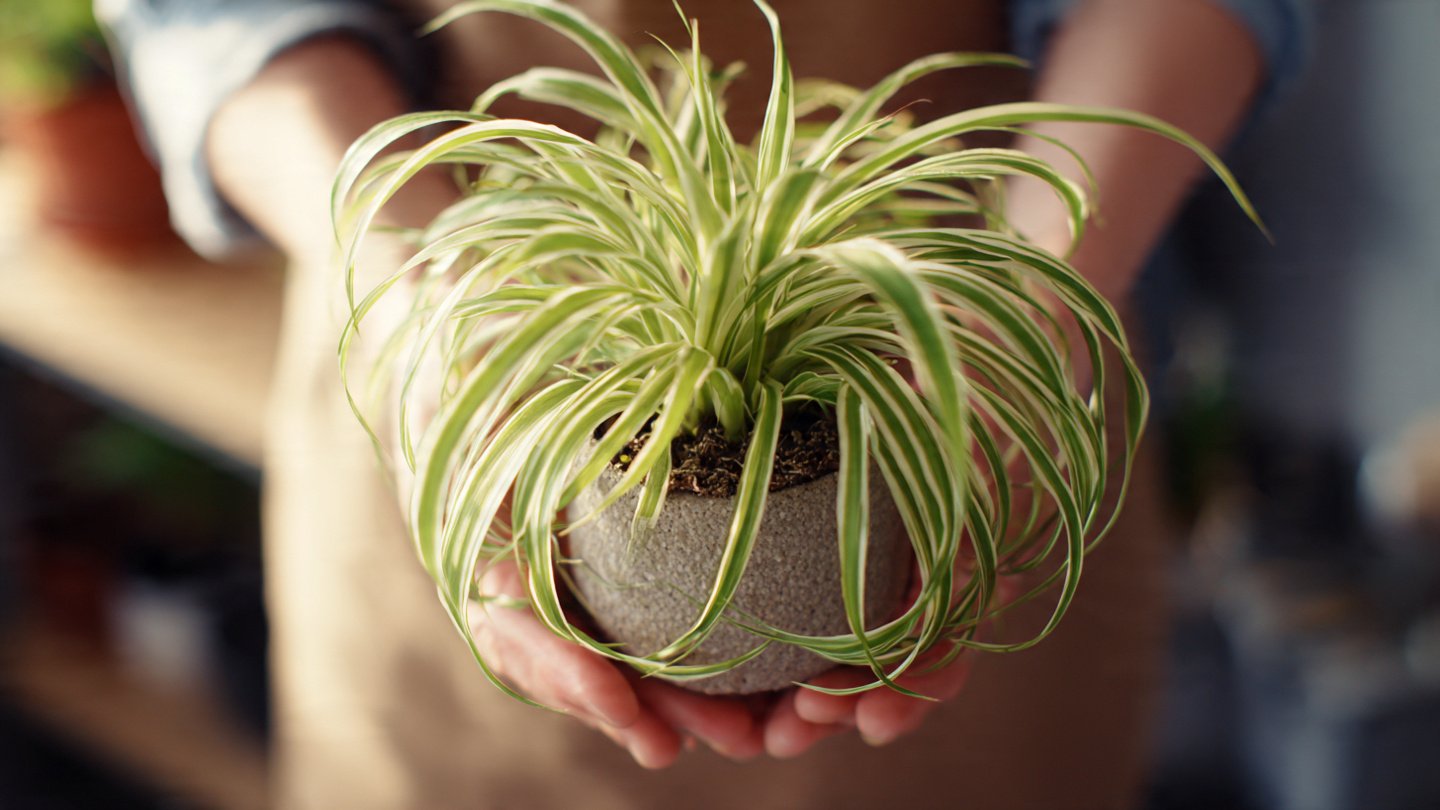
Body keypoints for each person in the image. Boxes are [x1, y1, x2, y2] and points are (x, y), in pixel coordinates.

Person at [98, 1, 1303, 807]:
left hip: (964, 399)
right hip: (463, 374)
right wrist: (420, 303)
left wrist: (1026, 299)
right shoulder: (446, 341)